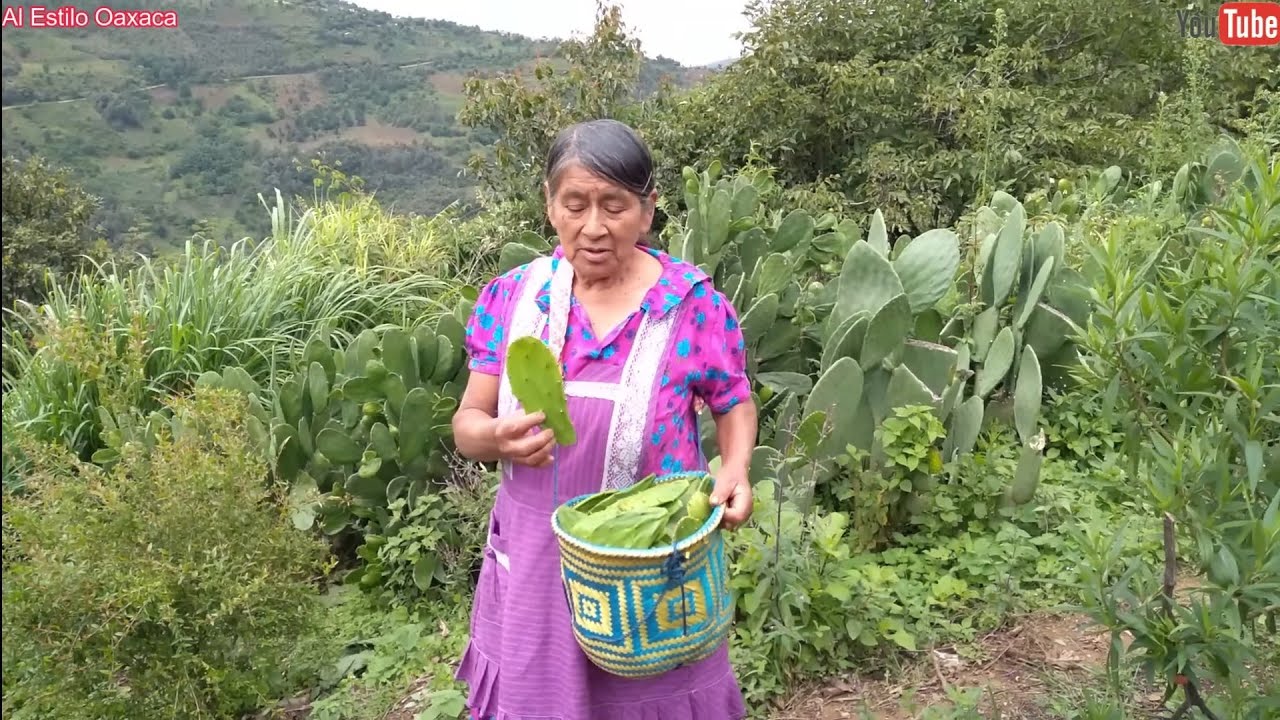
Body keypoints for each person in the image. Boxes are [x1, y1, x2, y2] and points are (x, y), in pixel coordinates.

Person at [450, 118, 759, 720]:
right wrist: (493, 438)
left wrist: (737, 467)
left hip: (652, 561)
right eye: (575, 204)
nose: (593, 227)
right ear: (549, 204)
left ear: (647, 212)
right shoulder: (514, 298)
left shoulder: (690, 306)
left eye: (614, 206)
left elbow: (734, 402)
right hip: (536, 557)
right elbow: (468, 423)